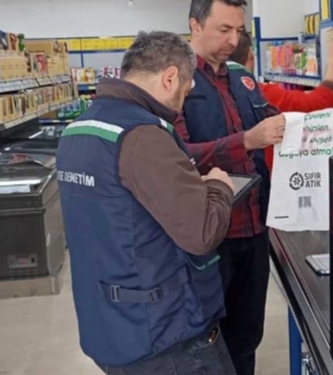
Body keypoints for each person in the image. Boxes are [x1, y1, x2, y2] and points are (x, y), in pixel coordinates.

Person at [57, 31, 237, 375]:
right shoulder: (142, 136)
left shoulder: (79, 129)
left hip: (110, 323)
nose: (182, 105)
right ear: (170, 77)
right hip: (164, 335)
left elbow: (121, 211)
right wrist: (218, 187)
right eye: (185, 92)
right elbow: (201, 233)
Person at [176, 0, 285, 375]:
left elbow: (272, 120)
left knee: (247, 338)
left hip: (254, 231)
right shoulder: (175, 82)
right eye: (224, 29)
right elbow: (177, 157)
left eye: (238, 30)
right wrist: (246, 141)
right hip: (210, 238)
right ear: (195, 24)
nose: (233, 40)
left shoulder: (242, 79)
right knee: (206, 343)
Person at [229, 29, 333, 170]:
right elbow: (319, 102)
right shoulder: (261, 94)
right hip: (261, 175)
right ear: (251, 56)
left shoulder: (213, 91)